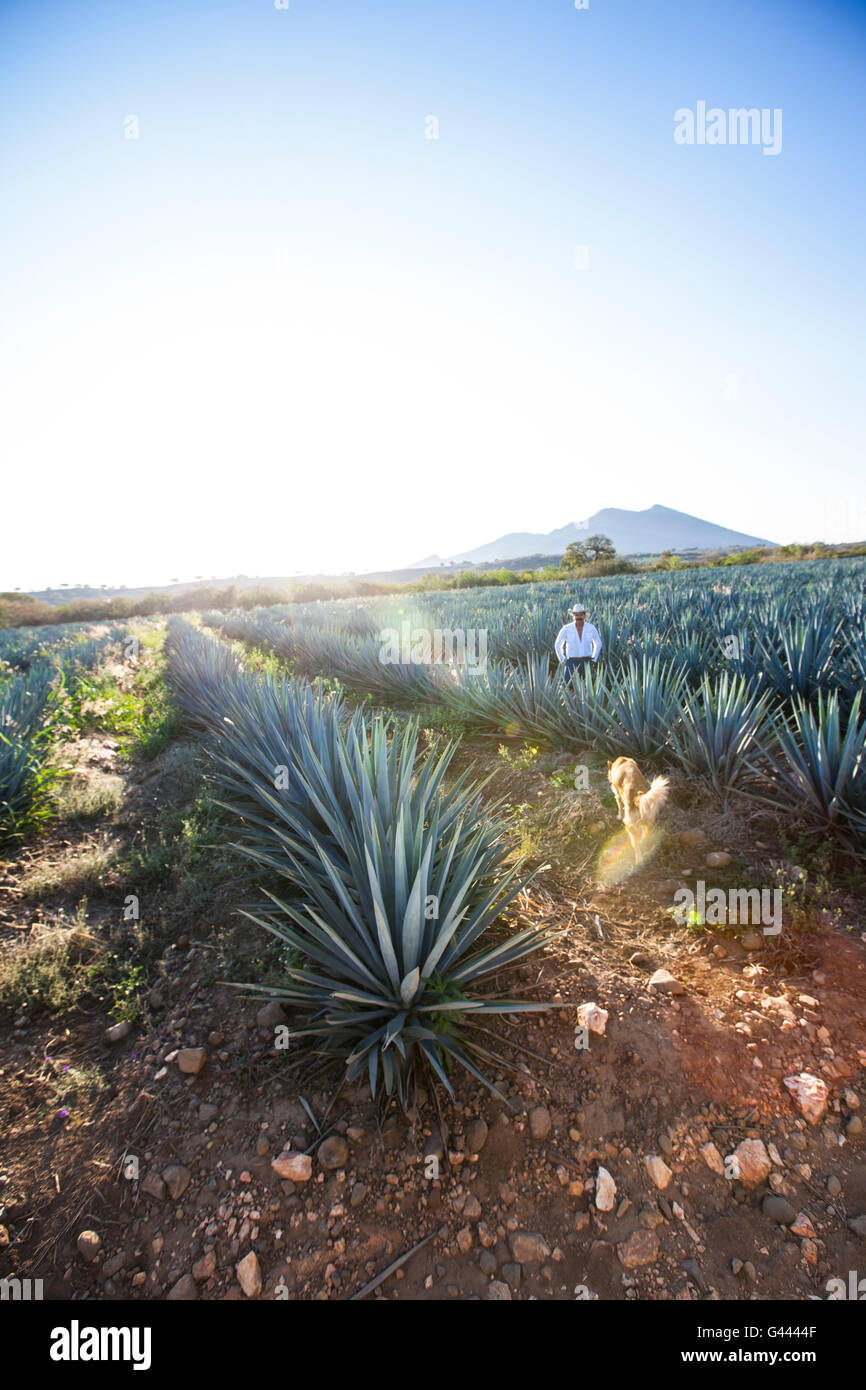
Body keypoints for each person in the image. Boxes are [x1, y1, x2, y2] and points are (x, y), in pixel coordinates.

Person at [555, 603, 602, 683]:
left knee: (587, 687)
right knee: (568, 687)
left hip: (586, 662)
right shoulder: (566, 629)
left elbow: (598, 643)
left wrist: (594, 658)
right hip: (571, 662)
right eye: (576, 615)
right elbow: (558, 644)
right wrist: (562, 659)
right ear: (573, 616)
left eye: (581, 615)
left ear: (584, 615)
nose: (579, 617)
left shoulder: (591, 628)